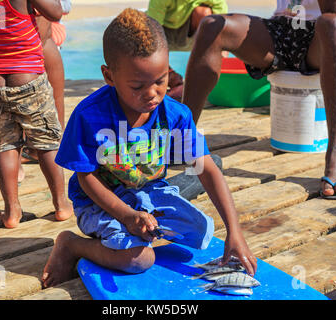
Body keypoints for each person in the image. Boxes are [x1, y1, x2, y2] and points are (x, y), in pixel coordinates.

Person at [41, 8, 256, 288]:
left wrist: (234, 231)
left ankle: (123, 236)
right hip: (97, 203)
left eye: (161, 80)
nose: (152, 93)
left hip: (149, 196)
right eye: (137, 86)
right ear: (109, 76)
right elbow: (86, 178)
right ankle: (73, 245)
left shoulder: (175, 114)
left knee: (201, 232)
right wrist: (127, 216)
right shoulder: (89, 115)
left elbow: (207, 168)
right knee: (138, 260)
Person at [182, 0, 336, 200]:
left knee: (332, 23)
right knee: (211, 25)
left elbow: (333, 8)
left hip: (332, 37)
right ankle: (180, 136)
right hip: (284, 28)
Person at [0, 0, 73, 228]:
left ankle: (12, 211)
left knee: (4, 146)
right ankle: (61, 204)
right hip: (28, 81)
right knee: (46, 143)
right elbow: (55, 11)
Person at [146, 0, 228, 101]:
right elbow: (152, 29)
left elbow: (221, 9)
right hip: (163, 34)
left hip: (192, 36)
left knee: (204, 13)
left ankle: (198, 81)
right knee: (140, 30)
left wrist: (222, 46)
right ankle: (171, 79)